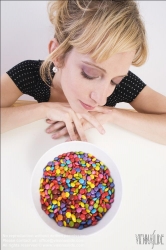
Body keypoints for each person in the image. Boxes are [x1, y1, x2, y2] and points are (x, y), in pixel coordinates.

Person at [1, 0, 166, 144]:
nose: (101, 99)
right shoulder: (31, 74)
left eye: (115, 81)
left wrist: (113, 114)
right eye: (90, 74)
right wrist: (44, 109)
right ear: (58, 54)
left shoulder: (124, 85)